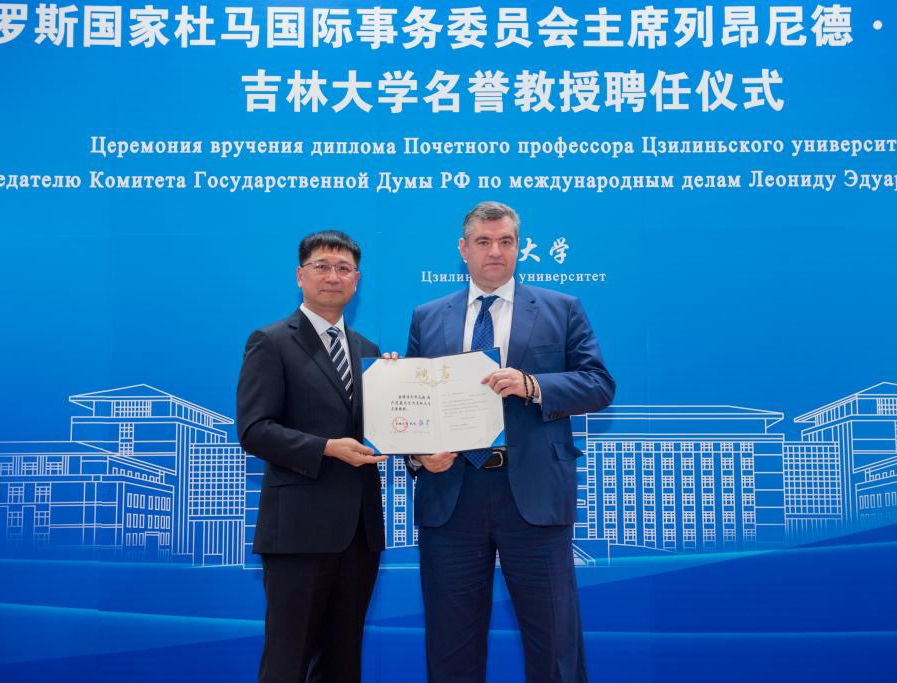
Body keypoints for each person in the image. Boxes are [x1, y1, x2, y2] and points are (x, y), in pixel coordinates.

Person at [406, 202, 615, 682]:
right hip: (451, 496)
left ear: (519, 247)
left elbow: (599, 385)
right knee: (451, 646)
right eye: (483, 242)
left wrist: (533, 384)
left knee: (554, 643)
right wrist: (418, 455)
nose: (495, 251)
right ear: (464, 249)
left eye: (505, 241)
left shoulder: (562, 308)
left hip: (534, 494)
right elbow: (417, 409)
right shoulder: (427, 317)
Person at [236, 230, 386, 683]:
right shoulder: (270, 341)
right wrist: (325, 448)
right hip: (297, 533)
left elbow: (380, 434)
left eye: (343, 268)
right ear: (301, 276)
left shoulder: (371, 353)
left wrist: (401, 396)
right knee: (287, 661)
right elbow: (254, 430)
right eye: (322, 266)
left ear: (356, 280)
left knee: (343, 663)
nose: (332, 276)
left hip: (359, 534)